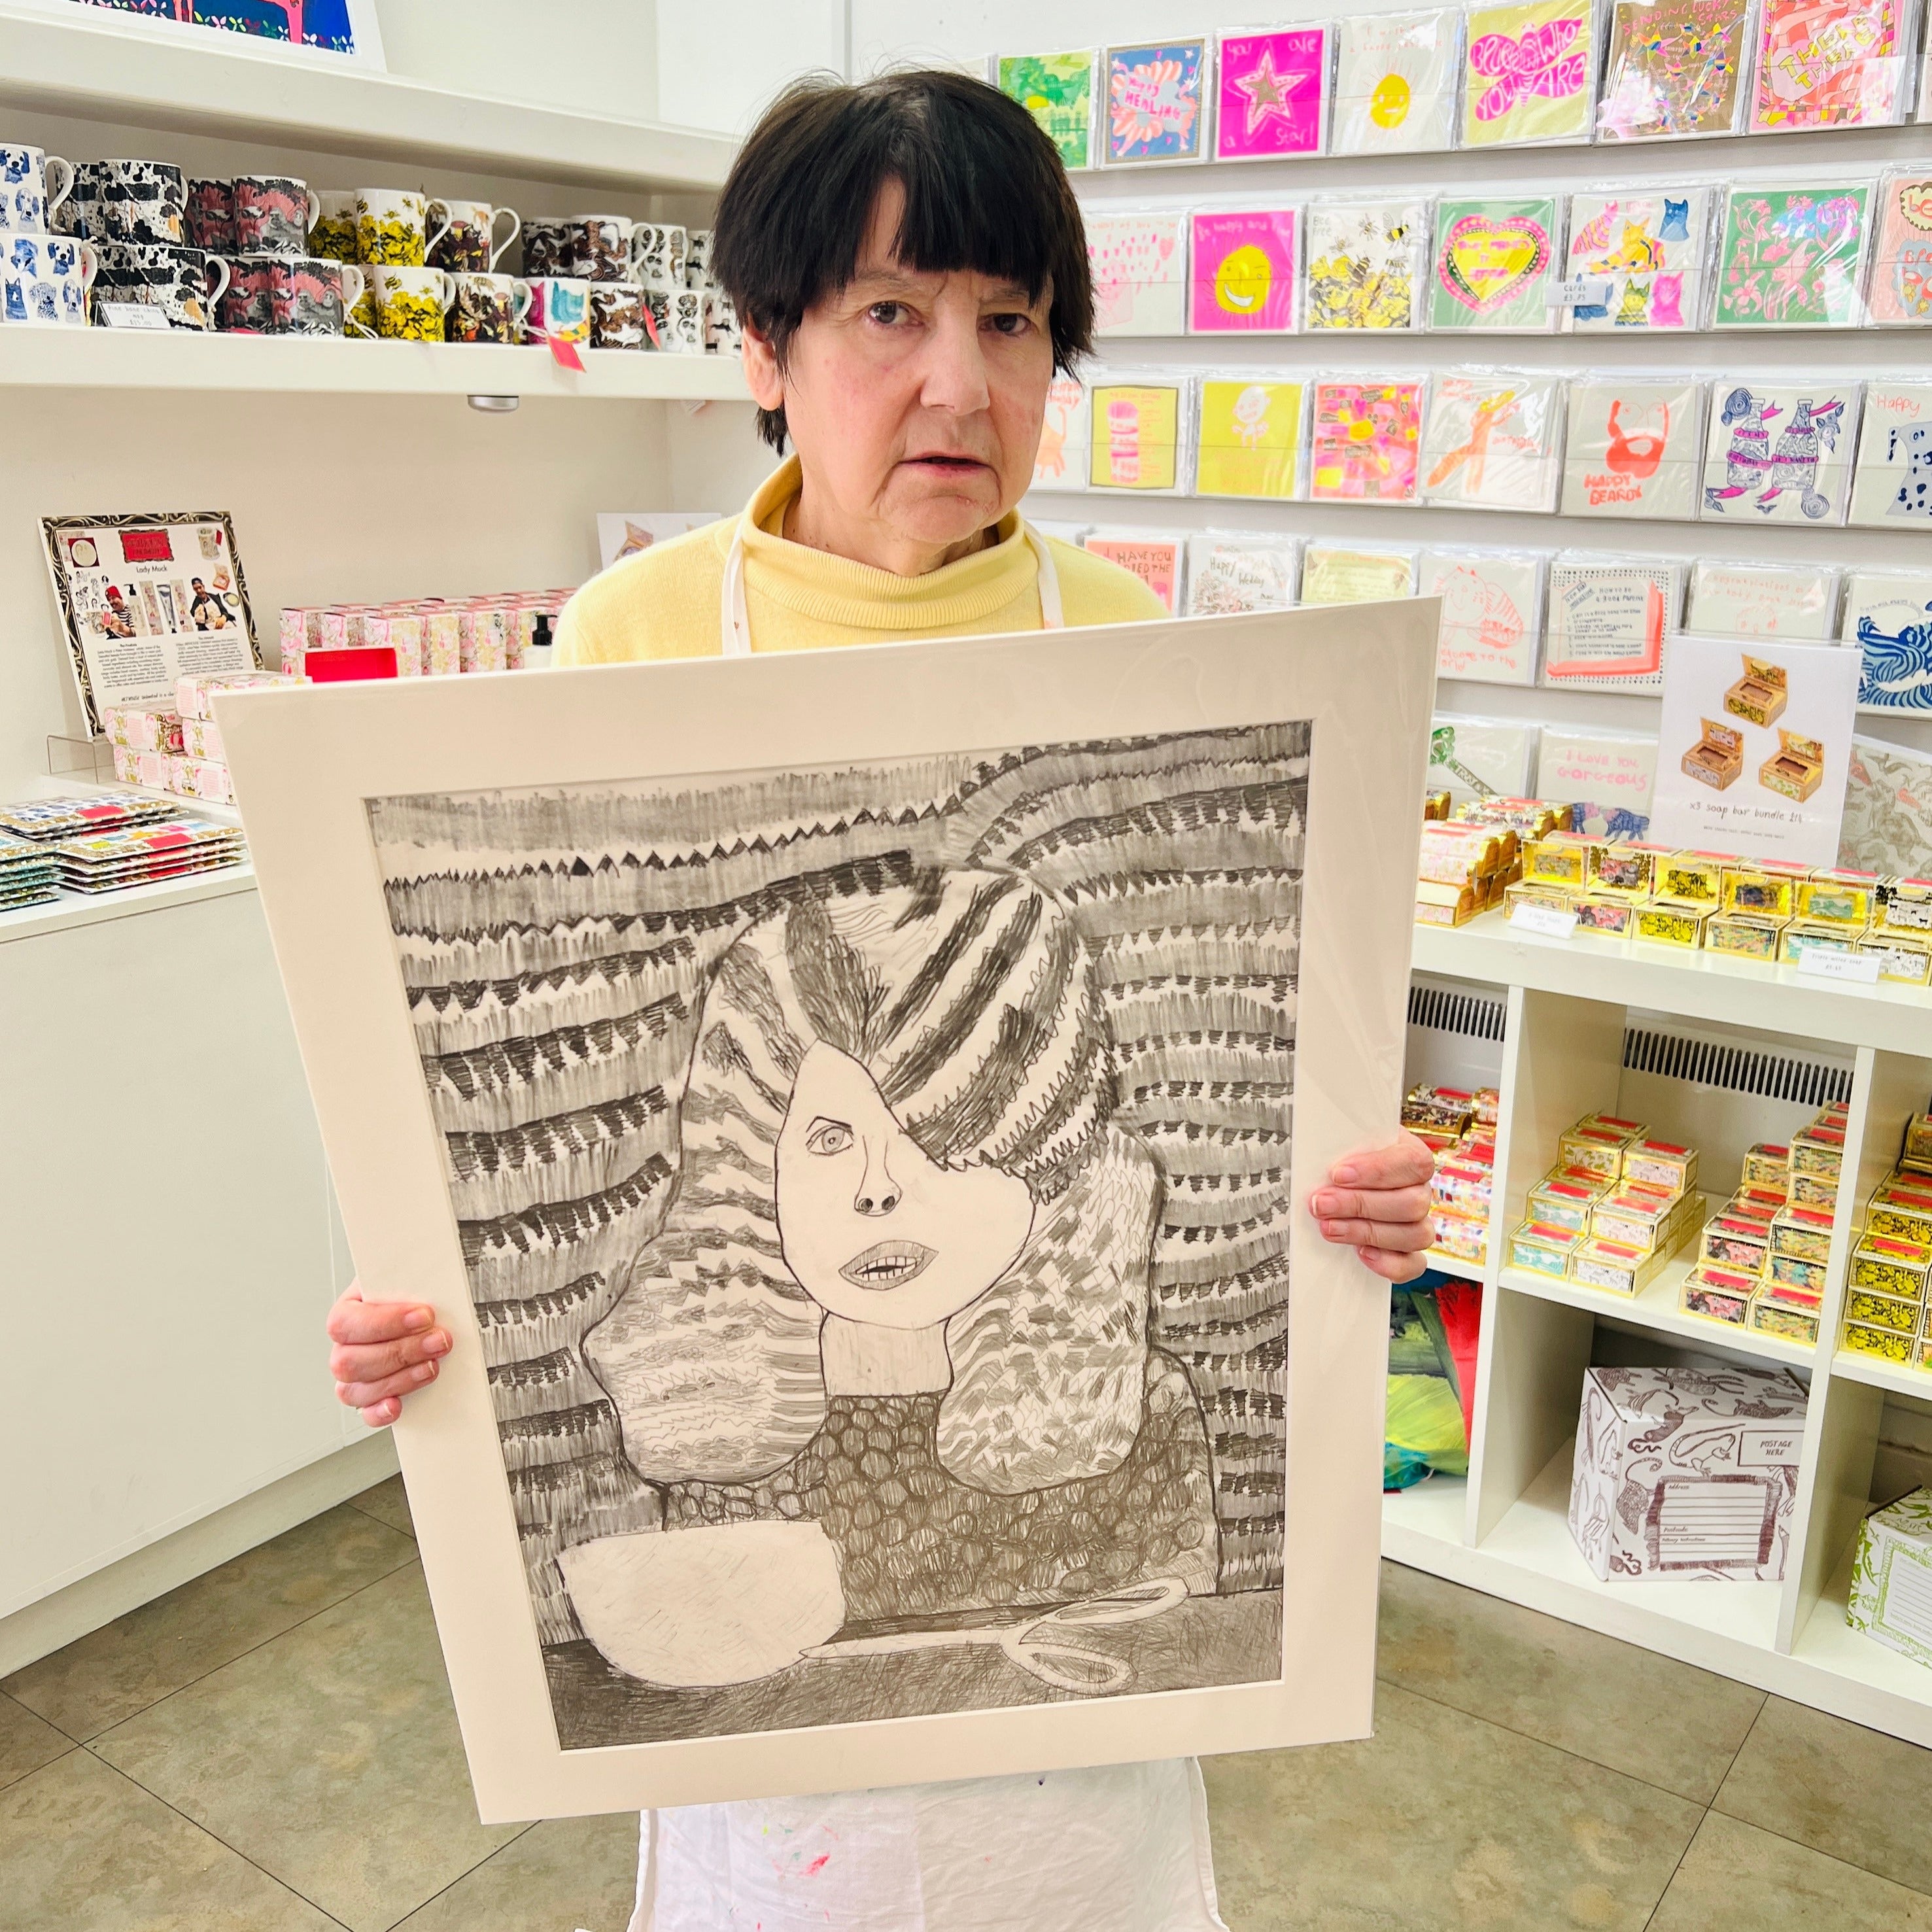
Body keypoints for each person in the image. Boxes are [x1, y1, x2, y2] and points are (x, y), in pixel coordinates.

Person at [326, 69, 1434, 1932]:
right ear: (766, 348)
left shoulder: (1142, 643)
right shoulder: (629, 637)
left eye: (1010, 323)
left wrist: (1345, 1214)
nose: (958, 384)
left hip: (1074, 1779)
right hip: (774, 1785)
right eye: (888, 314)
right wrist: (407, 1307)